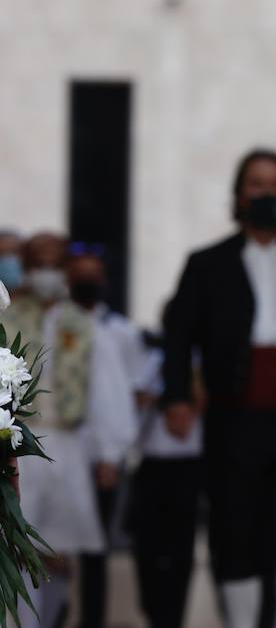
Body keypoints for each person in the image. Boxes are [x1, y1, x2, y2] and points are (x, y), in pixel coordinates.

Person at [161, 148, 276, 628]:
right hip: (232, 417)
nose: (266, 192)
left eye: (275, 184)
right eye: (256, 184)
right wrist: (177, 398)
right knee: (233, 527)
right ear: (239, 193)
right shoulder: (206, 264)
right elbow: (178, 337)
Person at [7, 245, 138, 628]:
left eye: (53, 266)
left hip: (69, 447)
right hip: (17, 446)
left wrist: (110, 453)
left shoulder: (83, 325)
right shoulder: (9, 318)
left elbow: (106, 389)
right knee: (18, 543)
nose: (46, 274)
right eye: (38, 265)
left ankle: (49, 620)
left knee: (58, 551)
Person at [65, 243, 142, 628]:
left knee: (95, 555)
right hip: (59, 459)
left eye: (93, 274)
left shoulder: (121, 333)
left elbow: (124, 398)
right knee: (51, 551)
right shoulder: (52, 327)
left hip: (101, 464)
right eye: (80, 274)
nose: (87, 282)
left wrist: (112, 455)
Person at [131, 301, 205, 628]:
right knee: (146, 547)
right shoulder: (152, 359)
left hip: (188, 467)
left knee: (181, 552)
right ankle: (153, 611)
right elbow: (139, 399)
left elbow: (198, 408)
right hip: (152, 465)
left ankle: (173, 618)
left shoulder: (201, 361)